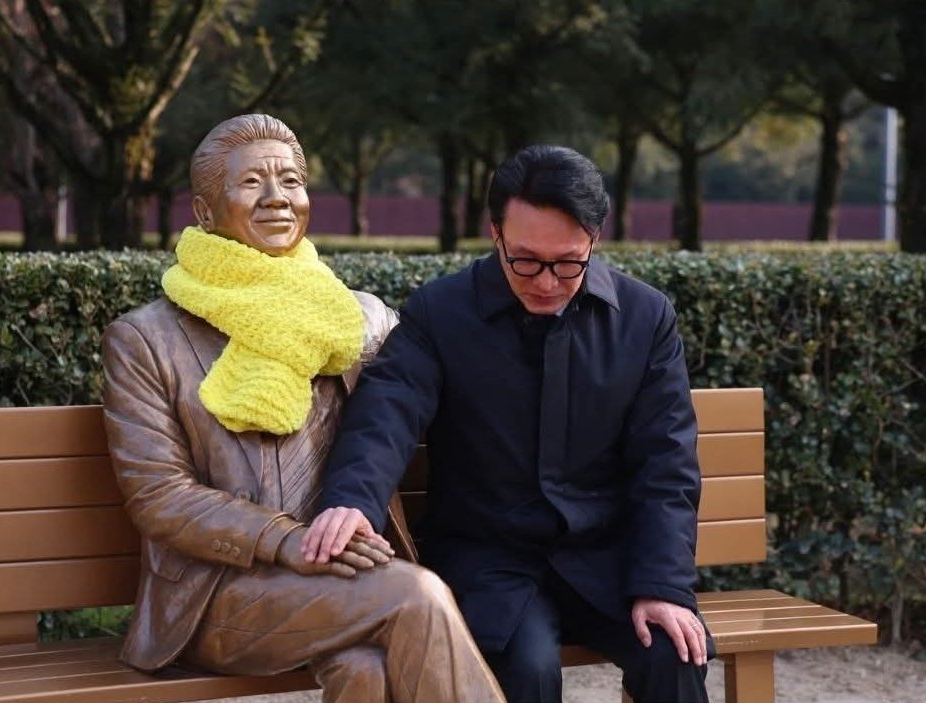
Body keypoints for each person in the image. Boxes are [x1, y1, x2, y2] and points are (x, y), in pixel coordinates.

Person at [101, 113, 504, 703]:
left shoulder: (357, 319)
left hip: (349, 574)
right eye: (251, 183)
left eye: (290, 181)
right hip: (221, 592)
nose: (276, 199)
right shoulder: (146, 340)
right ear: (205, 211)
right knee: (415, 596)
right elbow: (159, 495)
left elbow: (430, 420)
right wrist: (285, 540)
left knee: (366, 669)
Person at [306, 145, 715, 703]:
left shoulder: (645, 320)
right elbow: (388, 410)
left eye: (568, 262)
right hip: (488, 558)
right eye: (525, 259)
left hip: (606, 560)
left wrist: (662, 586)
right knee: (526, 668)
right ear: (495, 233)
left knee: (673, 650)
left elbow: (667, 464)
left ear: (595, 239)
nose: (546, 281)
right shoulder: (440, 312)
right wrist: (353, 498)